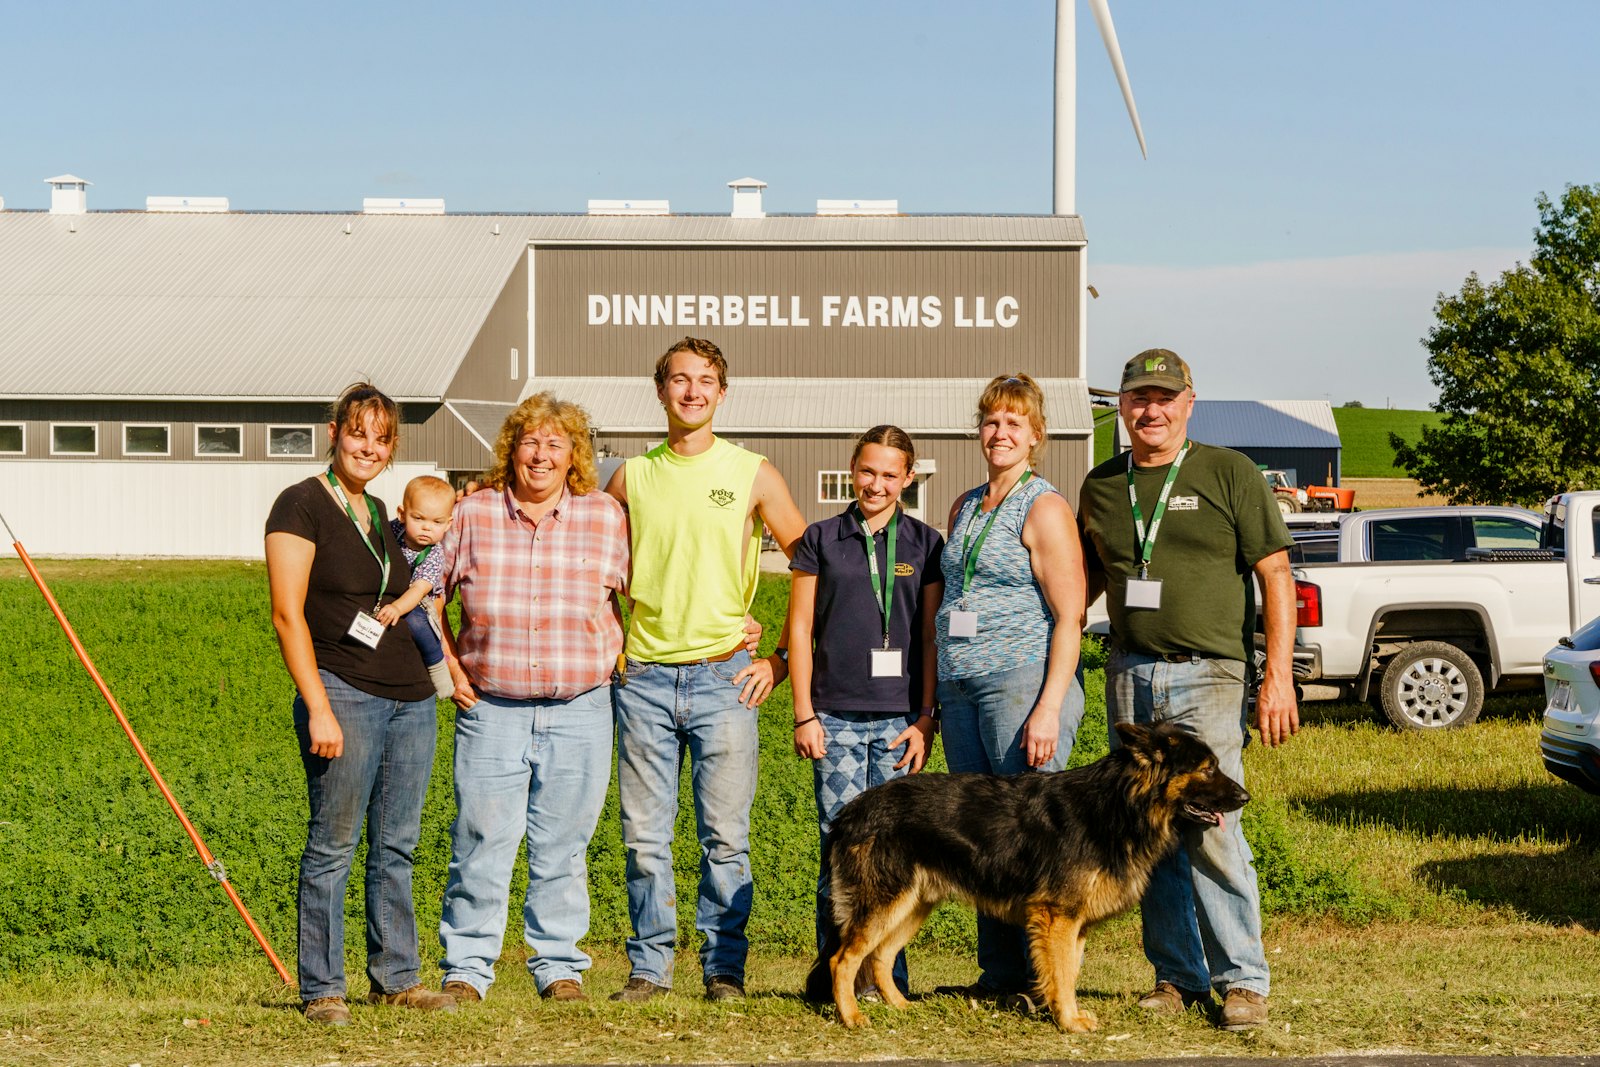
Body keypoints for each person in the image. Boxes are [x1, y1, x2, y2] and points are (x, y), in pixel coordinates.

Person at [1077, 348, 1299, 1032]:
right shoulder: (1102, 485)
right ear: (1121, 404)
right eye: (1140, 396)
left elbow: (1277, 575)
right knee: (1148, 826)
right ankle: (1176, 974)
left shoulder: (1228, 471)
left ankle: (1243, 980)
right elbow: (1085, 585)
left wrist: (1279, 676)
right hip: (1129, 670)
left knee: (1211, 826)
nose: (1152, 409)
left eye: (1165, 397)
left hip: (1211, 671)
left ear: (1189, 402)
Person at [603, 335, 807, 1003]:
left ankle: (724, 969)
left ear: (723, 391)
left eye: (706, 380)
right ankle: (649, 967)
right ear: (661, 390)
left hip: (726, 677)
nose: (692, 390)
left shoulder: (753, 472)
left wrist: (778, 656)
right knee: (644, 837)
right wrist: (610, 638)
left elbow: (813, 564)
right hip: (646, 680)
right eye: (680, 379)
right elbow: (597, 574)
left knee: (725, 836)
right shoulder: (630, 477)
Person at [264, 382, 457, 1026]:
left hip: (410, 699)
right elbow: (287, 615)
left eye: (381, 438)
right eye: (358, 433)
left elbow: (414, 593)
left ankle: (396, 976)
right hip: (343, 692)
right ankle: (322, 988)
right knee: (333, 845)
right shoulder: (301, 505)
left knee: (396, 844)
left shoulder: (379, 512)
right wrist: (317, 705)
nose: (368, 447)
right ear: (334, 432)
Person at [432, 392, 630, 1004]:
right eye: (529, 442)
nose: (540, 455)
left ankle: (558, 965)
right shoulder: (473, 513)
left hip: (582, 708)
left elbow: (643, 597)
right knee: (481, 839)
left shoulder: (606, 516)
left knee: (564, 846)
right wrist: (448, 673)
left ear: (575, 456)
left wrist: (742, 627)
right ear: (511, 450)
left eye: (555, 444)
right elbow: (431, 595)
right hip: (489, 708)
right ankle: (467, 968)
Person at [932, 371, 1086, 1008]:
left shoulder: (1044, 506)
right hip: (961, 689)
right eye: (991, 421)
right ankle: (998, 979)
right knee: (983, 839)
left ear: (1035, 435)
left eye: (1013, 424)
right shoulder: (965, 505)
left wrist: (1048, 705)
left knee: (1033, 839)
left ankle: (1040, 983)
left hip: (1019, 686)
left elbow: (1070, 614)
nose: (1000, 432)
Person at [788, 426, 945, 1004]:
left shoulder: (926, 544)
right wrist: (805, 712)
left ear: (908, 479)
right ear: (852, 471)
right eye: (867, 471)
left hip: (900, 722)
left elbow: (929, 635)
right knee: (841, 844)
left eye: (889, 474)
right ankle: (835, 974)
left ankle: (888, 977)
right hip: (834, 718)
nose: (876, 484)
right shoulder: (821, 539)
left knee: (898, 851)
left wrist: (927, 716)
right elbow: (800, 628)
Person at [374, 475, 456, 700]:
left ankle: (437, 665)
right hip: (394, 591)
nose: (426, 528)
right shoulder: (393, 531)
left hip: (417, 600)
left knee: (417, 623)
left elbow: (419, 589)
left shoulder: (433, 554)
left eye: (437, 522)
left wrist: (398, 608)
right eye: (418, 518)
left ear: (448, 524)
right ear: (401, 514)